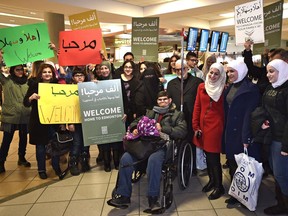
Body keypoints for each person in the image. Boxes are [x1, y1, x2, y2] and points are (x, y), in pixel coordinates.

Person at [107, 91, 187, 210]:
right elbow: (135, 122)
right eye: (160, 100)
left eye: (165, 99)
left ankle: (153, 197)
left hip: (162, 146)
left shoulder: (177, 114)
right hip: (144, 145)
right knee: (125, 159)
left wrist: (163, 128)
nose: (162, 102)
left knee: (153, 160)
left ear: (170, 100)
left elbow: (182, 131)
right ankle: (123, 195)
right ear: (157, 101)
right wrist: (135, 128)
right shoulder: (150, 112)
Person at [223, 60, 260, 205]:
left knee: (243, 167)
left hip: (242, 132)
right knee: (233, 163)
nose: (229, 74)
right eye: (228, 71)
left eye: (232, 71)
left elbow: (249, 114)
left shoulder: (251, 88)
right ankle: (236, 193)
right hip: (231, 130)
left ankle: (244, 196)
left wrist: (246, 136)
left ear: (241, 70)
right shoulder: (232, 86)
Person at [23, 63, 65, 180]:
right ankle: (41, 170)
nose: (47, 74)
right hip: (38, 121)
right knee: (40, 147)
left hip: (53, 121)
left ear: (52, 74)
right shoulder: (34, 85)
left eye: (49, 72)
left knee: (55, 145)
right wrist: (31, 97)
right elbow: (25, 102)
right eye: (45, 72)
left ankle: (57, 168)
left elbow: (63, 103)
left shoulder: (56, 85)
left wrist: (62, 122)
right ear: (41, 74)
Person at [192, 63, 226, 200]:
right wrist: (195, 125)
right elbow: (197, 106)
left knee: (213, 158)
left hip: (215, 127)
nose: (212, 76)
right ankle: (212, 181)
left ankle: (219, 186)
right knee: (207, 155)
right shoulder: (202, 87)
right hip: (202, 126)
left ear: (221, 75)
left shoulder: (224, 89)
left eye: (216, 74)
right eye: (211, 72)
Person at [167, 59, 203, 175]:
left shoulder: (198, 82)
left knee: (192, 143)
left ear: (187, 68)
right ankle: (178, 166)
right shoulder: (171, 84)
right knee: (177, 143)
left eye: (182, 69)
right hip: (177, 120)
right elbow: (168, 102)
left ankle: (192, 167)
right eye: (176, 69)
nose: (179, 71)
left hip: (192, 118)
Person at [262, 59, 288, 215]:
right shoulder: (270, 87)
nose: (268, 75)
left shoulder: (286, 90)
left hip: (281, 139)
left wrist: (286, 145)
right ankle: (281, 203)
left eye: (272, 71)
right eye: (267, 71)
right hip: (271, 136)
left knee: (280, 174)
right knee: (275, 171)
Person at [0, 65, 31, 173]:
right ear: (12, 70)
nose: (20, 71)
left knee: (23, 137)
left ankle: (21, 157)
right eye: (17, 70)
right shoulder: (7, 81)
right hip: (11, 115)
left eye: (21, 69)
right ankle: (1, 161)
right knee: (7, 140)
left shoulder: (27, 82)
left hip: (25, 114)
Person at [98, 61, 128, 172]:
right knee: (105, 140)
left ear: (110, 69)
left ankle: (116, 162)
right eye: (102, 68)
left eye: (106, 68)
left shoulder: (117, 82)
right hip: (103, 117)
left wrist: (125, 113)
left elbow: (124, 98)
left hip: (116, 115)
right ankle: (106, 163)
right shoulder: (96, 83)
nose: (104, 70)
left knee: (116, 140)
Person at [68, 68, 91, 175]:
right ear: (73, 77)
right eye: (77, 75)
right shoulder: (69, 89)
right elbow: (67, 107)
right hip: (75, 120)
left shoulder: (89, 87)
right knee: (77, 142)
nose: (79, 77)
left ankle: (84, 161)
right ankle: (73, 163)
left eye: (81, 75)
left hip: (87, 119)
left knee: (86, 141)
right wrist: (69, 122)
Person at [120, 60, 139, 125]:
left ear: (133, 69)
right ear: (123, 68)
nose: (128, 69)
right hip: (120, 109)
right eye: (126, 67)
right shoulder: (117, 78)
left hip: (132, 111)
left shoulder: (136, 80)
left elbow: (136, 97)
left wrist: (135, 111)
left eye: (130, 67)